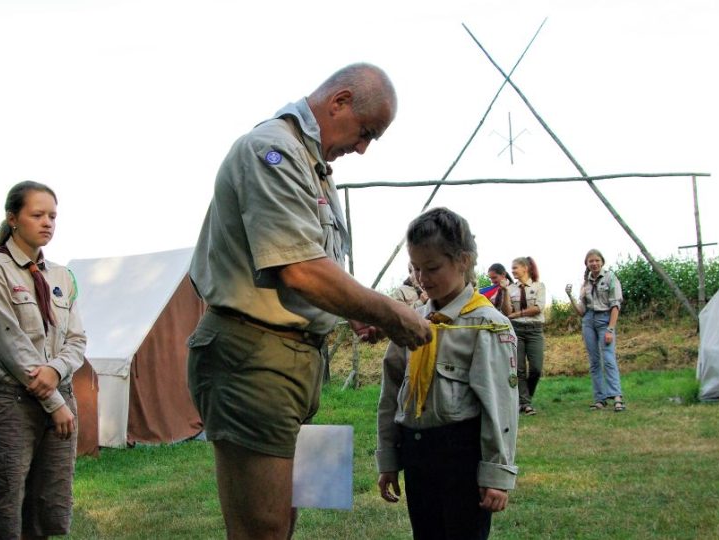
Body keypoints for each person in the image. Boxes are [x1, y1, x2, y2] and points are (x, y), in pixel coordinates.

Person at [186, 62, 432, 539]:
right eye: (365, 133)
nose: (361, 148)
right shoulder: (272, 151)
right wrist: (388, 311)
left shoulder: (312, 165)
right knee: (263, 527)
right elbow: (298, 268)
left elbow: (316, 269)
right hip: (253, 357)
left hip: (288, 360)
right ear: (339, 101)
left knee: (283, 518)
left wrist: (350, 313)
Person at [376, 207, 518, 540]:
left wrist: (496, 474)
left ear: (464, 261)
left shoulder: (486, 324)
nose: (422, 278)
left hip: (461, 458)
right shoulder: (410, 322)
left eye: (433, 267)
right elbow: (392, 391)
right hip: (417, 452)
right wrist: (388, 457)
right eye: (415, 268)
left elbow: (499, 404)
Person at [0, 180, 86, 539]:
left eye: (52, 215)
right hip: (13, 403)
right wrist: (53, 401)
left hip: (60, 398)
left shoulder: (62, 277)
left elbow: (77, 339)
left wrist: (56, 370)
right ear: (13, 218)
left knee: (47, 506)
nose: (47, 222)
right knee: (1, 512)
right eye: (37, 214)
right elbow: (11, 345)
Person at [566, 249, 626, 412]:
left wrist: (610, 329)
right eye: (590, 261)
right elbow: (581, 311)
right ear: (586, 264)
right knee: (594, 361)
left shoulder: (610, 278)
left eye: (596, 260)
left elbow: (615, 305)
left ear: (602, 262)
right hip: (588, 321)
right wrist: (570, 297)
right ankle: (600, 399)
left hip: (605, 319)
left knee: (608, 358)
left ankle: (617, 396)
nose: (594, 263)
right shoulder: (585, 283)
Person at [507, 256, 546, 416]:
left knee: (536, 368)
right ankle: (526, 403)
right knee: (519, 369)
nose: (512, 271)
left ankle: (524, 397)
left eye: (515, 267)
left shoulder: (538, 286)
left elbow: (538, 308)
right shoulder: (510, 289)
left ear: (525, 268)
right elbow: (507, 313)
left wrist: (518, 313)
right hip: (517, 330)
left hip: (535, 329)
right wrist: (503, 292)